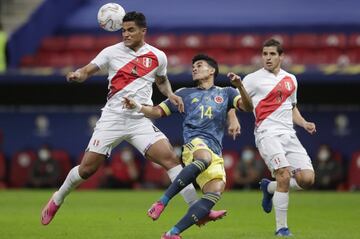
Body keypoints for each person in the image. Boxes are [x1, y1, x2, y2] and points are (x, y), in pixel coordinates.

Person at [40, 12, 223, 226]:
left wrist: (170, 94)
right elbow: (88, 70)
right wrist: (78, 75)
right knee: (87, 169)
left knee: (171, 160)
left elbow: (162, 81)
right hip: (113, 119)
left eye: (130, 30)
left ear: (143, 31)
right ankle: (57, 198)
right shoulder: (111, 52)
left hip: (139, 119)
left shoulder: (157, 56)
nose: (125, 34)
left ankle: (196, 211)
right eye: (123, 30)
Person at [123, 54, 253, 239]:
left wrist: (240, 86)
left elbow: (248, 107)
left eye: (199, 65)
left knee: (214, 193)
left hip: (215, 150)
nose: (194, 68)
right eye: (193, 66)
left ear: (212, 70)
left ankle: (172, 234)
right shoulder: (184, 93)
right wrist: (138, 106)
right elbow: (158, 111)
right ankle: (162, 202)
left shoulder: (227, 93)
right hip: (195, 144)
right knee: (204, 158)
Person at [234, 38, 316, 236]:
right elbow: (242, 105)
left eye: (272, 54)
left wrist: (304, 123)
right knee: (284, 175)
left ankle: (269, 188)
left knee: (307, 180)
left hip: (289, 134)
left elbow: (292, 108)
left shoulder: (291, 79)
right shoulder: (252, 79)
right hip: (267, 134)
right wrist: (238, 89)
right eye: (264, 54)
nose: (268, 58)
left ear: (281, 56)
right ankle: (281, 228)